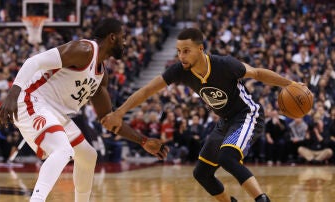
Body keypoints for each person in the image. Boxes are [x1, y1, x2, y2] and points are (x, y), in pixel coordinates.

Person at [101, 28, 300, 202]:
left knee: (227, 157)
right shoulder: (180, 70)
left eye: (186, 51)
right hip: (225, 122)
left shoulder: (225, 64)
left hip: (247, 114)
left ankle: (262, 199)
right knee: (202, 173)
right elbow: (146, 90)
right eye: (179, 51)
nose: (181, 56)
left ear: (201, 49)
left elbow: (257, 73)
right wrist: (119, 112)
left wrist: (290, 84)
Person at [0, 18, 169, 202]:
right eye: (122, 38)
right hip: (32, 100)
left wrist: (142, 141)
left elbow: (108, 120)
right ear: (112, 37)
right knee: (63, 150)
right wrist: (13, 93)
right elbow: (34, 61)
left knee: (88, 155)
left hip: (56, 113)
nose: (125, 42)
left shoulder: (101, 77)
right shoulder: (84, 50)